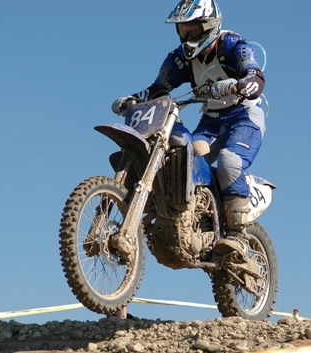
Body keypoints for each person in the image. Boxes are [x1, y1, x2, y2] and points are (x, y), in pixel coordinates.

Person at [112, 0, 266, 257]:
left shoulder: (233, 45)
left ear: (210, 25)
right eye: (183, 30)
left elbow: (256, 77)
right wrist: (133, 99)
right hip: (211, 121)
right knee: (183, 156)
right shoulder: (180, 58)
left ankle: (237, 235)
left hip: (243, 117)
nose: (188, 36)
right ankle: (196, 216)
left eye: (193, 29)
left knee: (229, 162)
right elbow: (158, 89)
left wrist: (236, 85)